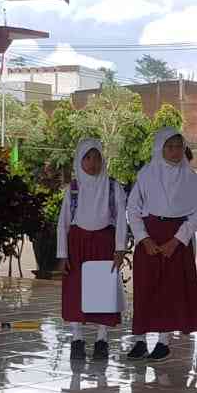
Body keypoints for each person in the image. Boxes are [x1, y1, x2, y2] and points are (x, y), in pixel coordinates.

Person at [125, 128, 197, 361]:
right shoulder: (146, 174)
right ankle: (139, 340)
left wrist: (177, 240)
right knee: (146, 289)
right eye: (169, 146)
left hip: (176, 241)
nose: (175, 151)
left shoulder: (190, 178)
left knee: (170, 290)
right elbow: (133, 209)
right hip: (149, 238)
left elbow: (193, 215)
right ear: (160, 148)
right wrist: (144, 238)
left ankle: (163, 340)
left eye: (179, 147)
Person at [56, 139, 128, 361]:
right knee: (76, 292)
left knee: (102, 294)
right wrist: (62, 254)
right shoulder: (74, 189)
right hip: (78, 245)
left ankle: (101, 340)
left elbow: (121, 221)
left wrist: (119, 249)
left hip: (103, 243)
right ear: (80, 160)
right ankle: (76, 339)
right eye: (88, 158)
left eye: (97, 157)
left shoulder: (113, 186)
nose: (93, 162)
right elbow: (63, 223)